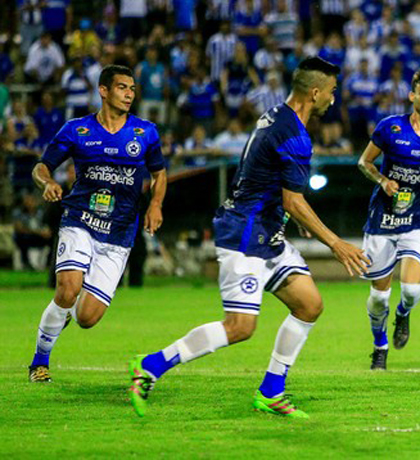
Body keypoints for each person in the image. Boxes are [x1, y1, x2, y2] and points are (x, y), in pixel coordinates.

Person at [128, 57, 369, 419]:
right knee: (240, 327)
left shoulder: (275, 115)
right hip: (245, 234)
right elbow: (293, 199)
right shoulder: (294, 135)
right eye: (332, 92)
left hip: (265, 230)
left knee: (309, 305)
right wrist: (335, 242)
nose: (334, 100)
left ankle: (271, 391)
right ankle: (150, 366)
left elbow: (270, 182)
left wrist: (289, 214)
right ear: (315, 92)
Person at [27, 65, 168, 383]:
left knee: (87, 318)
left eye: (132, 88)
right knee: (67, 290)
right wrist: (47, 182)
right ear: (103, 90)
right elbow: (41, 167)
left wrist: (156, 204)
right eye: (122, 87)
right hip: (80, 220)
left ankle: (61, 316)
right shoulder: (77, 130)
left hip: (119, 233)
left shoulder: (145, 132)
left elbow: (159, 174)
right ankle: (39, 362)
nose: (129, 93)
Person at [357, 67, 420, 370]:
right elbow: (364, 161)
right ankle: (380, 346)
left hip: (418, 217)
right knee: (378, 299)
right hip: (383, 217)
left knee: (412, 290)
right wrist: (381, 181)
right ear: (412, 95)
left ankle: (403, 313)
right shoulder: (390, 128)